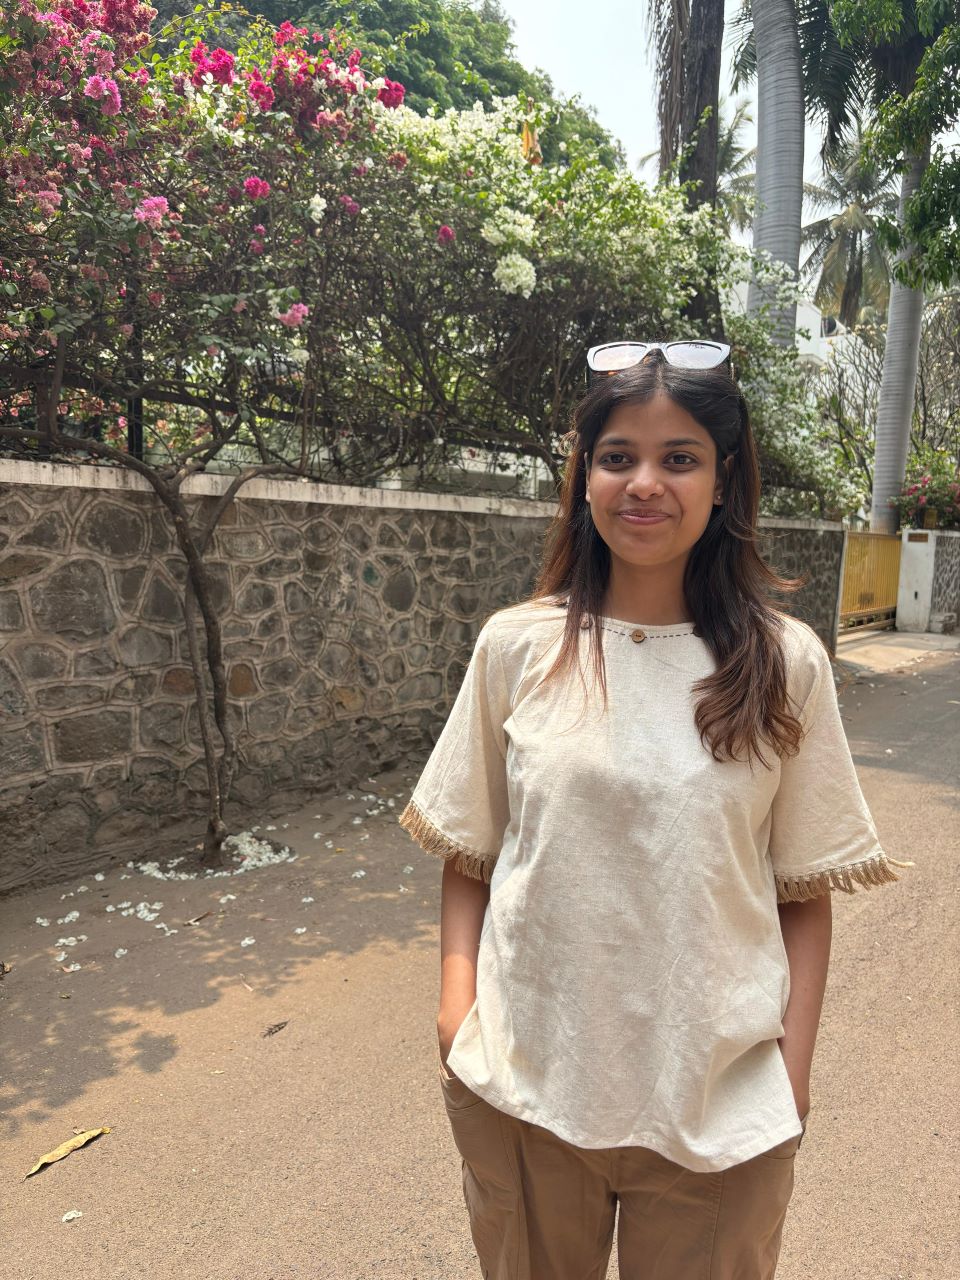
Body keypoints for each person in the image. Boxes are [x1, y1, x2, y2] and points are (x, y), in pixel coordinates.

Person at [398, 341, 911, 1280]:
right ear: (584, 476)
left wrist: (791, 1075)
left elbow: (802, 892)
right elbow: (471, 849)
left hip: (718, 1107)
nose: (644, 483)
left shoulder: (783, 662)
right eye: (617, 456)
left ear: (723, 482)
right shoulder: (517, 648)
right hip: (527, 1087)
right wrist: (454, 1010)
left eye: (680, 458)